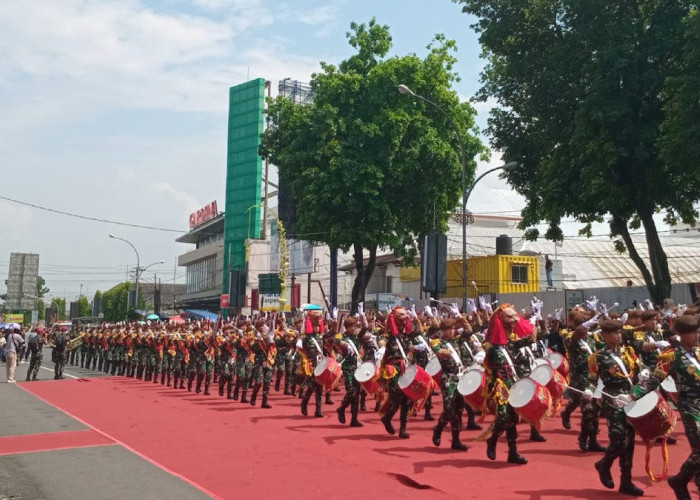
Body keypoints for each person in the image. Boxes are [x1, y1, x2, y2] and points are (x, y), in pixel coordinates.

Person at [635, 314, 700, 500]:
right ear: (682, 334)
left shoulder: (698, 351)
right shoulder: (671, 356)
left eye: (697, 331)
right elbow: (653, 380)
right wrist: (633, 395)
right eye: (693, 332)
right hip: (691, 407)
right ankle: (679, 480)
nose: (697, 335)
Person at [587, 319, 644, 496]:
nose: (619, 335)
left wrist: (638, 387)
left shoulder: (628, 352)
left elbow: (638, 373)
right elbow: (592, 380)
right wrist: (589, 392)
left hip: (630, 397)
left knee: (630, 441)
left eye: (620, 332)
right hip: (612, 399)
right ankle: (604, 464)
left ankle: (626, 481)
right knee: (618, 437)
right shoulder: (598, 357)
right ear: (604, 336)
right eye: (614, 333)